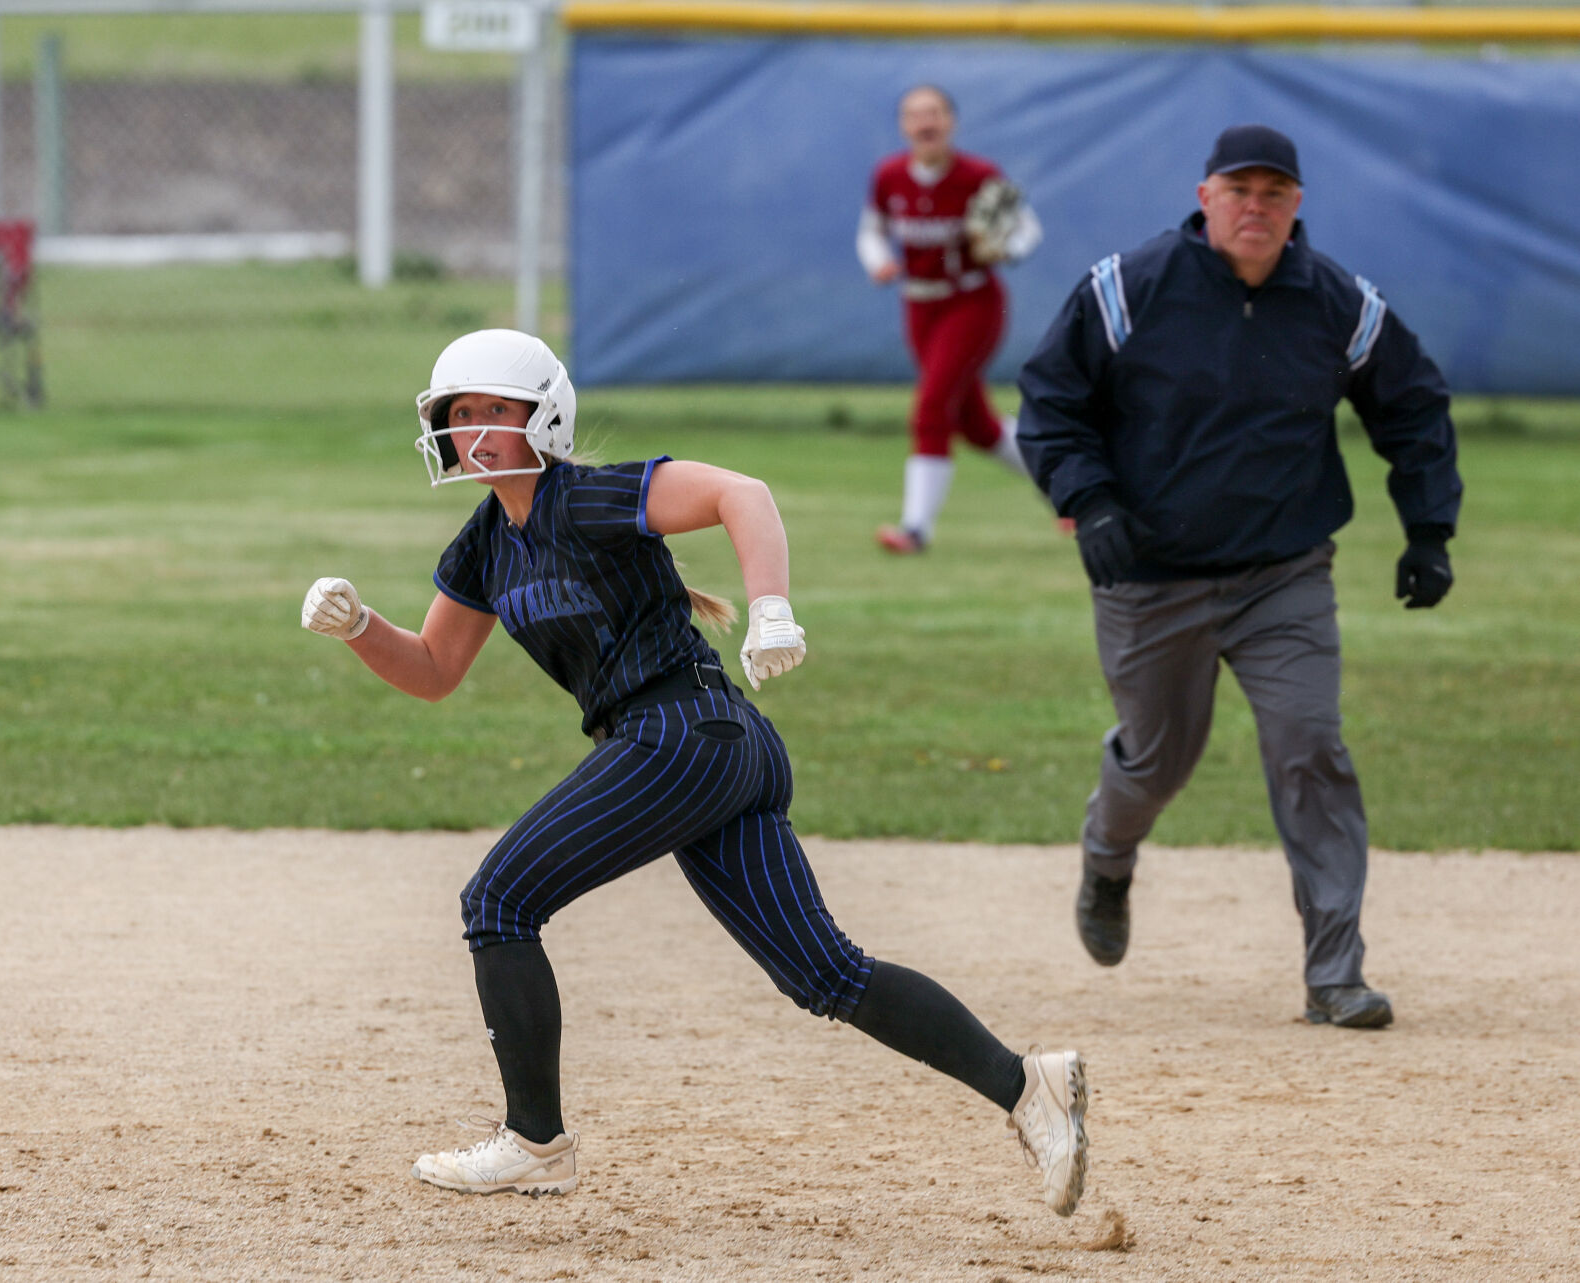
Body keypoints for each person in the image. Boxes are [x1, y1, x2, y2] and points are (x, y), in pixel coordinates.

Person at [300, 328, 1089, 1212]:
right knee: (825, 974)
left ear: (545, 418)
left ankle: (534, 1141)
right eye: (460, 414)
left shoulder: (589, 496)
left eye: (495, 409)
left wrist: (772, 608)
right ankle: (1028, 1086)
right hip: (706, 748)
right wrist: (361, 626)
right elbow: (435, 671)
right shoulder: (484, 544)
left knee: (498, 901)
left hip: (682, 735)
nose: (473, 429)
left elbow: (739, 492)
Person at [1015, 125, 1463, 1030]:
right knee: (1156, 759)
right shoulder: (1126, 290)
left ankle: (1334, 973)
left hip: (1283, 572)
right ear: (1204, 195)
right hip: (1151, 575)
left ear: (1297, 207)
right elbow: (1052, 403)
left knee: (1311, 747)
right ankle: (1108, 855)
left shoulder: (1337, 302)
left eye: (1275, 193)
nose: (1255, 206)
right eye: (1239, 189)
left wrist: (1429, 529)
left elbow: (1412, 405)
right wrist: (1090, 501)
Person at [858, 84, 1045, 554]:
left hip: (973, 302)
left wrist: (1008, 247)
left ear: (951, 122)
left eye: (935, 113)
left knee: (932, 405)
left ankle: (915, 530)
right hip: (919, 305)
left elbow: (1027, 228)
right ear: (903, 126)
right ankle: (1073, 490)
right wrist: (879, 260)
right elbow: (871, 231)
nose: (925, 123)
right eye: (915, 115)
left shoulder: (979, 175)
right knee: (976, 426)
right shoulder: (890, 175)